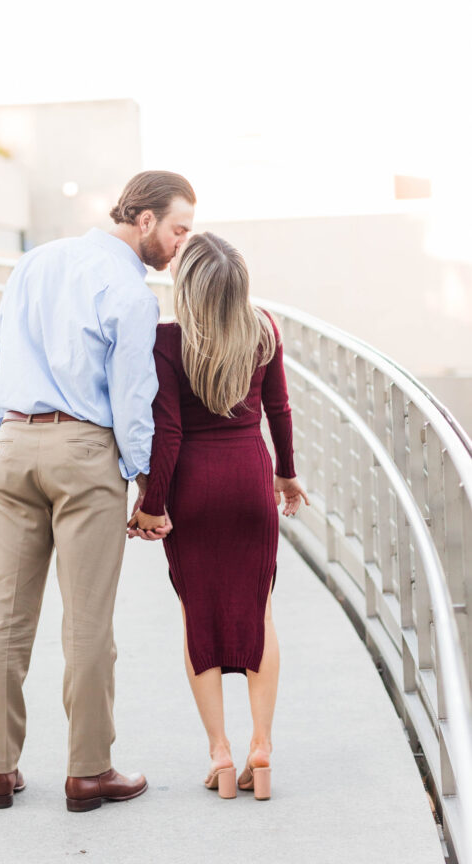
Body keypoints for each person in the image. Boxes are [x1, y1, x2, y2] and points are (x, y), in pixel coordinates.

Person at [0, 170, 196, 811]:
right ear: (145, 220)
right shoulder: (130, 292)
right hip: (84, 450)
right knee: (89, 620)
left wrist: (9, 420)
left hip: (14, 445)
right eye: (178, 228)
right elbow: (134, 398)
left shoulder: (35, 261)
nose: (181, 243)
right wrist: (146, 482)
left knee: (6, 616)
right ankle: (89, 772)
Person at [129, 231, 308, 800]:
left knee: (197, 618)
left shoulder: (166, 340)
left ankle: (222, 755)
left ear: (189, 287)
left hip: (194, 488)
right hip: (250, 479)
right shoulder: (263, 330)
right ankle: (262, 745)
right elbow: (277, 407)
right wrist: (287, 473)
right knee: (261, 613)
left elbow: (170, 432)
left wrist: (152, 504)